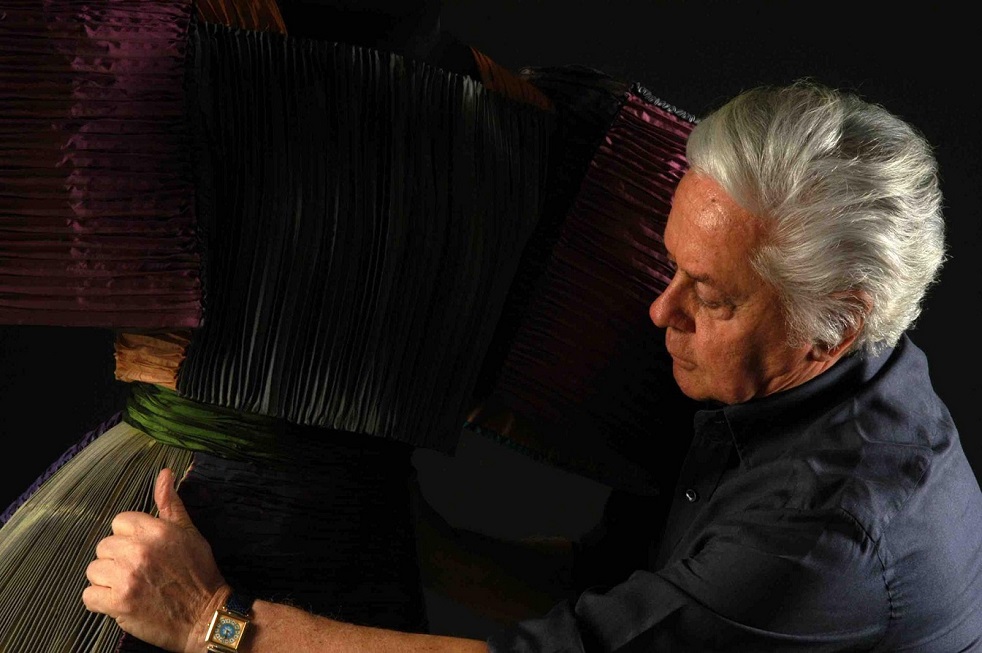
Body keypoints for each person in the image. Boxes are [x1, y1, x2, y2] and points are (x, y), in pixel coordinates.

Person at [84, 79, 982, 651]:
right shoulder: (802, 387)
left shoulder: (821, 537)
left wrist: (212, 621)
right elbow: (617, 600)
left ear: (834, 326)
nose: (661, 310)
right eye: (671, 266)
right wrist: (420, 538)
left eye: (710, 295)